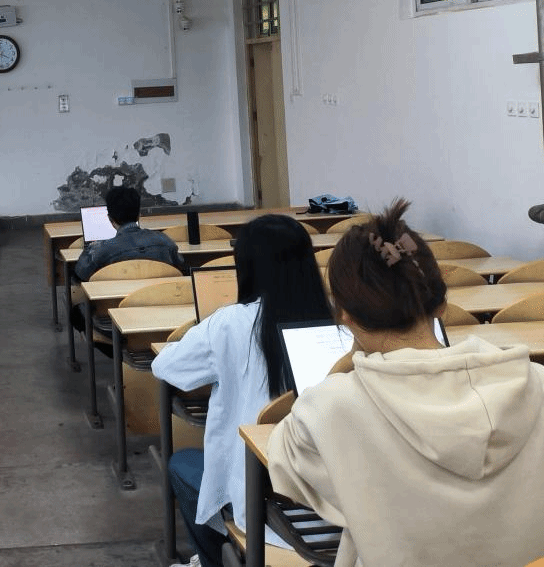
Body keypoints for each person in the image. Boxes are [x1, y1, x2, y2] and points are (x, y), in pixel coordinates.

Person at [267, 200, 544, 567]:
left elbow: (286, 466)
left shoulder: (332, 408)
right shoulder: (536, 383)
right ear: (441, 304)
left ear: (345, 314)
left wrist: (342, 368)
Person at [151, 215, 331, 567]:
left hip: (264, 499)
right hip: (329, 497)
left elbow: (166, 367)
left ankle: (213, 560)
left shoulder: (230, 323)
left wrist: (199, 333)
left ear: (246, 267)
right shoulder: (339, 324)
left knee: (182, 464)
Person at [73, 186, 184, 282]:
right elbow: (181, 268)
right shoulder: (165, 241)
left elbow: (80, 275)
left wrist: (89, 250)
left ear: (110, 219)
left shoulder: (100, 250)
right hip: (159, 297)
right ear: (139, 215)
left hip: (115, 300)